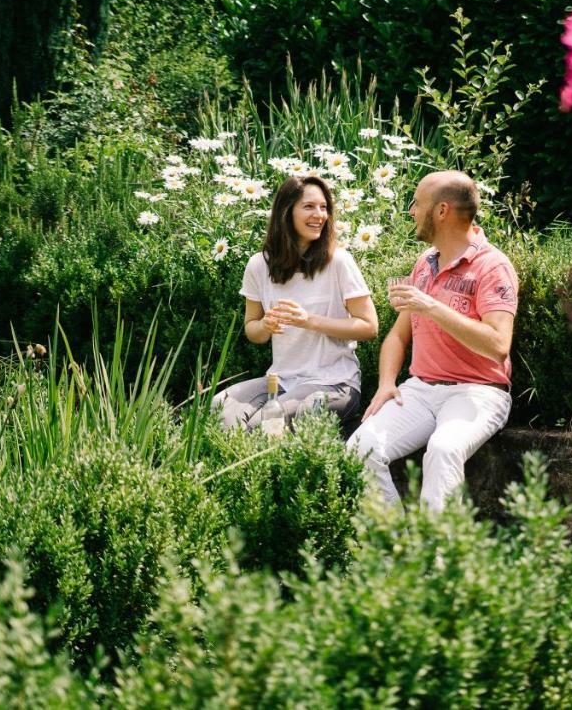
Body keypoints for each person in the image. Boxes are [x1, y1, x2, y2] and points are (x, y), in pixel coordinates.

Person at [346, 170, 517, 511]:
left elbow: (498, 345)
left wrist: (432, 306)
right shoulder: (424, 264)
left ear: (441, 211)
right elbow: (397, 335)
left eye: (416, 203)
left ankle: (439, 558)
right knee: (359, 450)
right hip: (421, 390)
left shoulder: (492, 267)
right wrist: (386, 383)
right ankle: (396, 549)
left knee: (443, 450)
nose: (410, 211)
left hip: (478, 391)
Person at [214, 174, 378, 431]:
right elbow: (252, 331)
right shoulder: (259, 265)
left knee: (265, 425)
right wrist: (265, 325)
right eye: (309, 207)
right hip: (281, 381)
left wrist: (309, 321)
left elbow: (369, 327)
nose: (320, 215)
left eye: (324, 207)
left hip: (335, 383)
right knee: (219, 409)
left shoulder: (339, 262)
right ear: (286, 212)